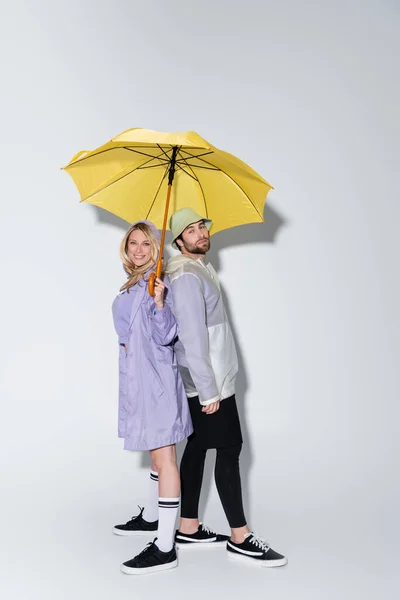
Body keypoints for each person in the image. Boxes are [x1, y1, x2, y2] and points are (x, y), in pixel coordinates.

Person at [165, 208, 288, 567]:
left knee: (200, 446)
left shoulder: (199, 268)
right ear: (178, 241)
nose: (200, 232)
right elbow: (191, 336)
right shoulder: (186, 275)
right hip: (211, 382)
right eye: (190, 229)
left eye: (202, 225)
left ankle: (187, 527)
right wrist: (208, 391)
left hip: (213, 377)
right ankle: (241, 536)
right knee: (230, 448)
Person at [111, 220, 193, 575]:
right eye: (133, 244)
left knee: (166, 458)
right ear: (126, 249)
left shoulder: (158, 283)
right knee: (157, 461)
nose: (139, 249)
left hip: (157, 383)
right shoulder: (132, 284)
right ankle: (152, 521)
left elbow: (167, 335)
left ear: (156, 249)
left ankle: (165, 547)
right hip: (138, 383)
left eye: (146, 244)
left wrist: (160, 303)